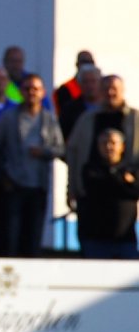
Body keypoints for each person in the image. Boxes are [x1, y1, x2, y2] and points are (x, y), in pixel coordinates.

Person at [0, 73, 64, 258]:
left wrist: (43, 152)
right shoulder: (8, 118)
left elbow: (60, 148)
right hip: (13, 186)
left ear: (43, 92)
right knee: (10, 237)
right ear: (21, 92)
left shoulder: (49, 119)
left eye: (36, 89)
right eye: (27, 88)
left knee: (33, 238)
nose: (31, 92)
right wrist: (3, 177)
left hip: (38, 187)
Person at [65, 75, 139, 251]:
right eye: (106, 89)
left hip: (123, 197)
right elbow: (73, 153)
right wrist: (71, 188)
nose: (110, 93)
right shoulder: (87, 119)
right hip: (92, 193)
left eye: (115, 88)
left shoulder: (134, 119)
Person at [80, 128, 139, 259]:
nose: (108, 146)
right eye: (104, 143)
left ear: (122, 146)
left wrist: (121, 181)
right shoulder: (90, 169)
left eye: (113, 142)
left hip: (126, 240)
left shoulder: (131, 168)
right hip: (96, 240)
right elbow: (97, 189)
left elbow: (135, 191)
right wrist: (123, 181)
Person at [58, 63, 101, 142]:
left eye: (93, 81)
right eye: (85, 82)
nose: (90, 86)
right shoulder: (69, 109)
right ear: (79, 84)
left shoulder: (109, 107)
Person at [54, 50, 95, 115]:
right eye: (84, 62)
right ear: (77, 65)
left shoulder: (100, 87)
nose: (87, 65)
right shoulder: (65, 88)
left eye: (90, 62)